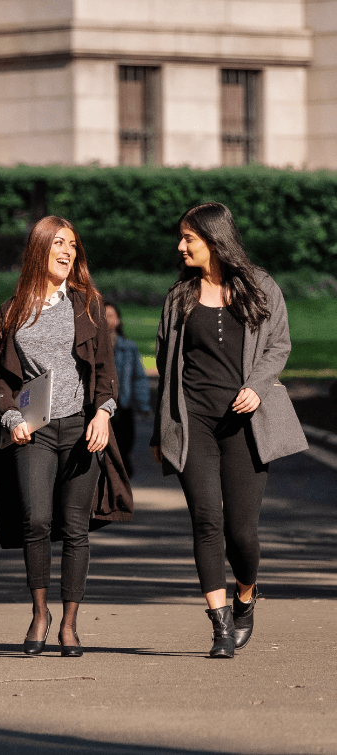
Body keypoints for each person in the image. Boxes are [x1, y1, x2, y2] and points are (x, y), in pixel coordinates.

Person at [150, 202, 308, 659]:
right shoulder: (178, 297)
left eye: (188, 238)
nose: (180, 246)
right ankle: (219, 626)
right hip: (192, 421)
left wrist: (257, 387)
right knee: (206, 521)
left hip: (245, 425)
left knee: (242, 532)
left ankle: (245, 593)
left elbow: (279, 344)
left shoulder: (259, 287)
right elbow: (165, 364)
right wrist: (161, 431)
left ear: (214, 240)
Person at [0, 216, 132, 657]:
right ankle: (39, 613)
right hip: (34, 430)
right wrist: (11, 416)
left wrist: (103, 415)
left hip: (80, 427)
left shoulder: (87, 304)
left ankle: (69, 623)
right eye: (57, 244)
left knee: (75, 528)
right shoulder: (13, 309)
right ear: (38, 251)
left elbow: (105, 371)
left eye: (72, 245)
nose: (67, 252)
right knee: (35, 520)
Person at [104, 301, 151, 478]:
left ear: (118, 320)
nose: (107, 320)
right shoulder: (93, 347)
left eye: (111, 316)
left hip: (123, 405)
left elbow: (139, 377)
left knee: (125, 443)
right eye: (104, 316)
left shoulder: (129, 347)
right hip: (101, 405)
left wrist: (143, 404)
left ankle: (121, 477)